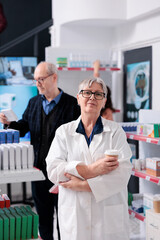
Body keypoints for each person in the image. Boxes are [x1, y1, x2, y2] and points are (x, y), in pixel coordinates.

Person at [0, 61, 80, 240]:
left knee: (65, 218)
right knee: (43, 219)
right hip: (38, 172)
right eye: (35, 80)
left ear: (54, 77)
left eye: (41, 79)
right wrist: (9, 123)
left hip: (63, 174)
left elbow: (78, 140)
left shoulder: (72, 105)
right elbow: (23, 128)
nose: (38, 84)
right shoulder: (34, 102)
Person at [46, 77, 132, 240]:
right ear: (78, 98)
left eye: (98, 94)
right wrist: (91, 170)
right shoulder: (63, 132)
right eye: (87, 92)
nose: (92, 97)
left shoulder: (115, 132)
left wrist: (82, 185)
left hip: (107, 215)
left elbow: (122, 174)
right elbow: (53, 170)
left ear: (104, 101)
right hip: (75, 214)